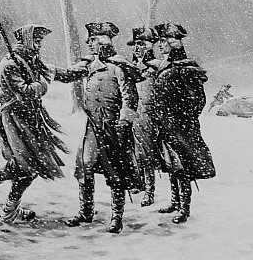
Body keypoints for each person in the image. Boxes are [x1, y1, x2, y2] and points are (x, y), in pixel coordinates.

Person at [0, 24, 89, 222]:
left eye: (40, 42)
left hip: (31, 119)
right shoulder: (9, 64)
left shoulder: (33, 60)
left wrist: (83, 68)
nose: (39, 46)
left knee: (34, 165)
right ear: (26, 40)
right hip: (14, 119)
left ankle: (9, 210)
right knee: (24, 165)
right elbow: (26, 91)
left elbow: (60, 74)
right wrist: (43, 83)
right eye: (36, 41)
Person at [65, 22, 143, 233]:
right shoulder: (89, 64)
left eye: (93, 40)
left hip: (113, 128)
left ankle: (117, 217)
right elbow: (66, 75)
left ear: (104, 41)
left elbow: (130, 97)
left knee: (115, 173)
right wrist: (42, 68)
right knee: (85, 167)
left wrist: (124, 122)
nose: (89, 43)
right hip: (93, 128)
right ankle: (85, 212)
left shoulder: (120, 66)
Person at [150, 23, 216, 224]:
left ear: (174, 42)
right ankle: (174, 201)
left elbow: (198, 100)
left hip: (181, 126)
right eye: (159, 41)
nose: (160, 45)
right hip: (165, 124)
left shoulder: (186, 68)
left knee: (183, 167)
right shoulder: (164, 66)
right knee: (171, 163)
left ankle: (184, 208)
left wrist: (182, 118)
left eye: (163, 41)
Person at [128, 26, 163, 207]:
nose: (137, 48)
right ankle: (139, 182)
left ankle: (150, 191)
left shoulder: (157, 67)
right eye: (135, 45)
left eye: (141, 44)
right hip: (132, 113)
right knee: (132, 150)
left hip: (149, 115)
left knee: (147, 153)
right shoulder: (131, 67)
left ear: (150, 46)